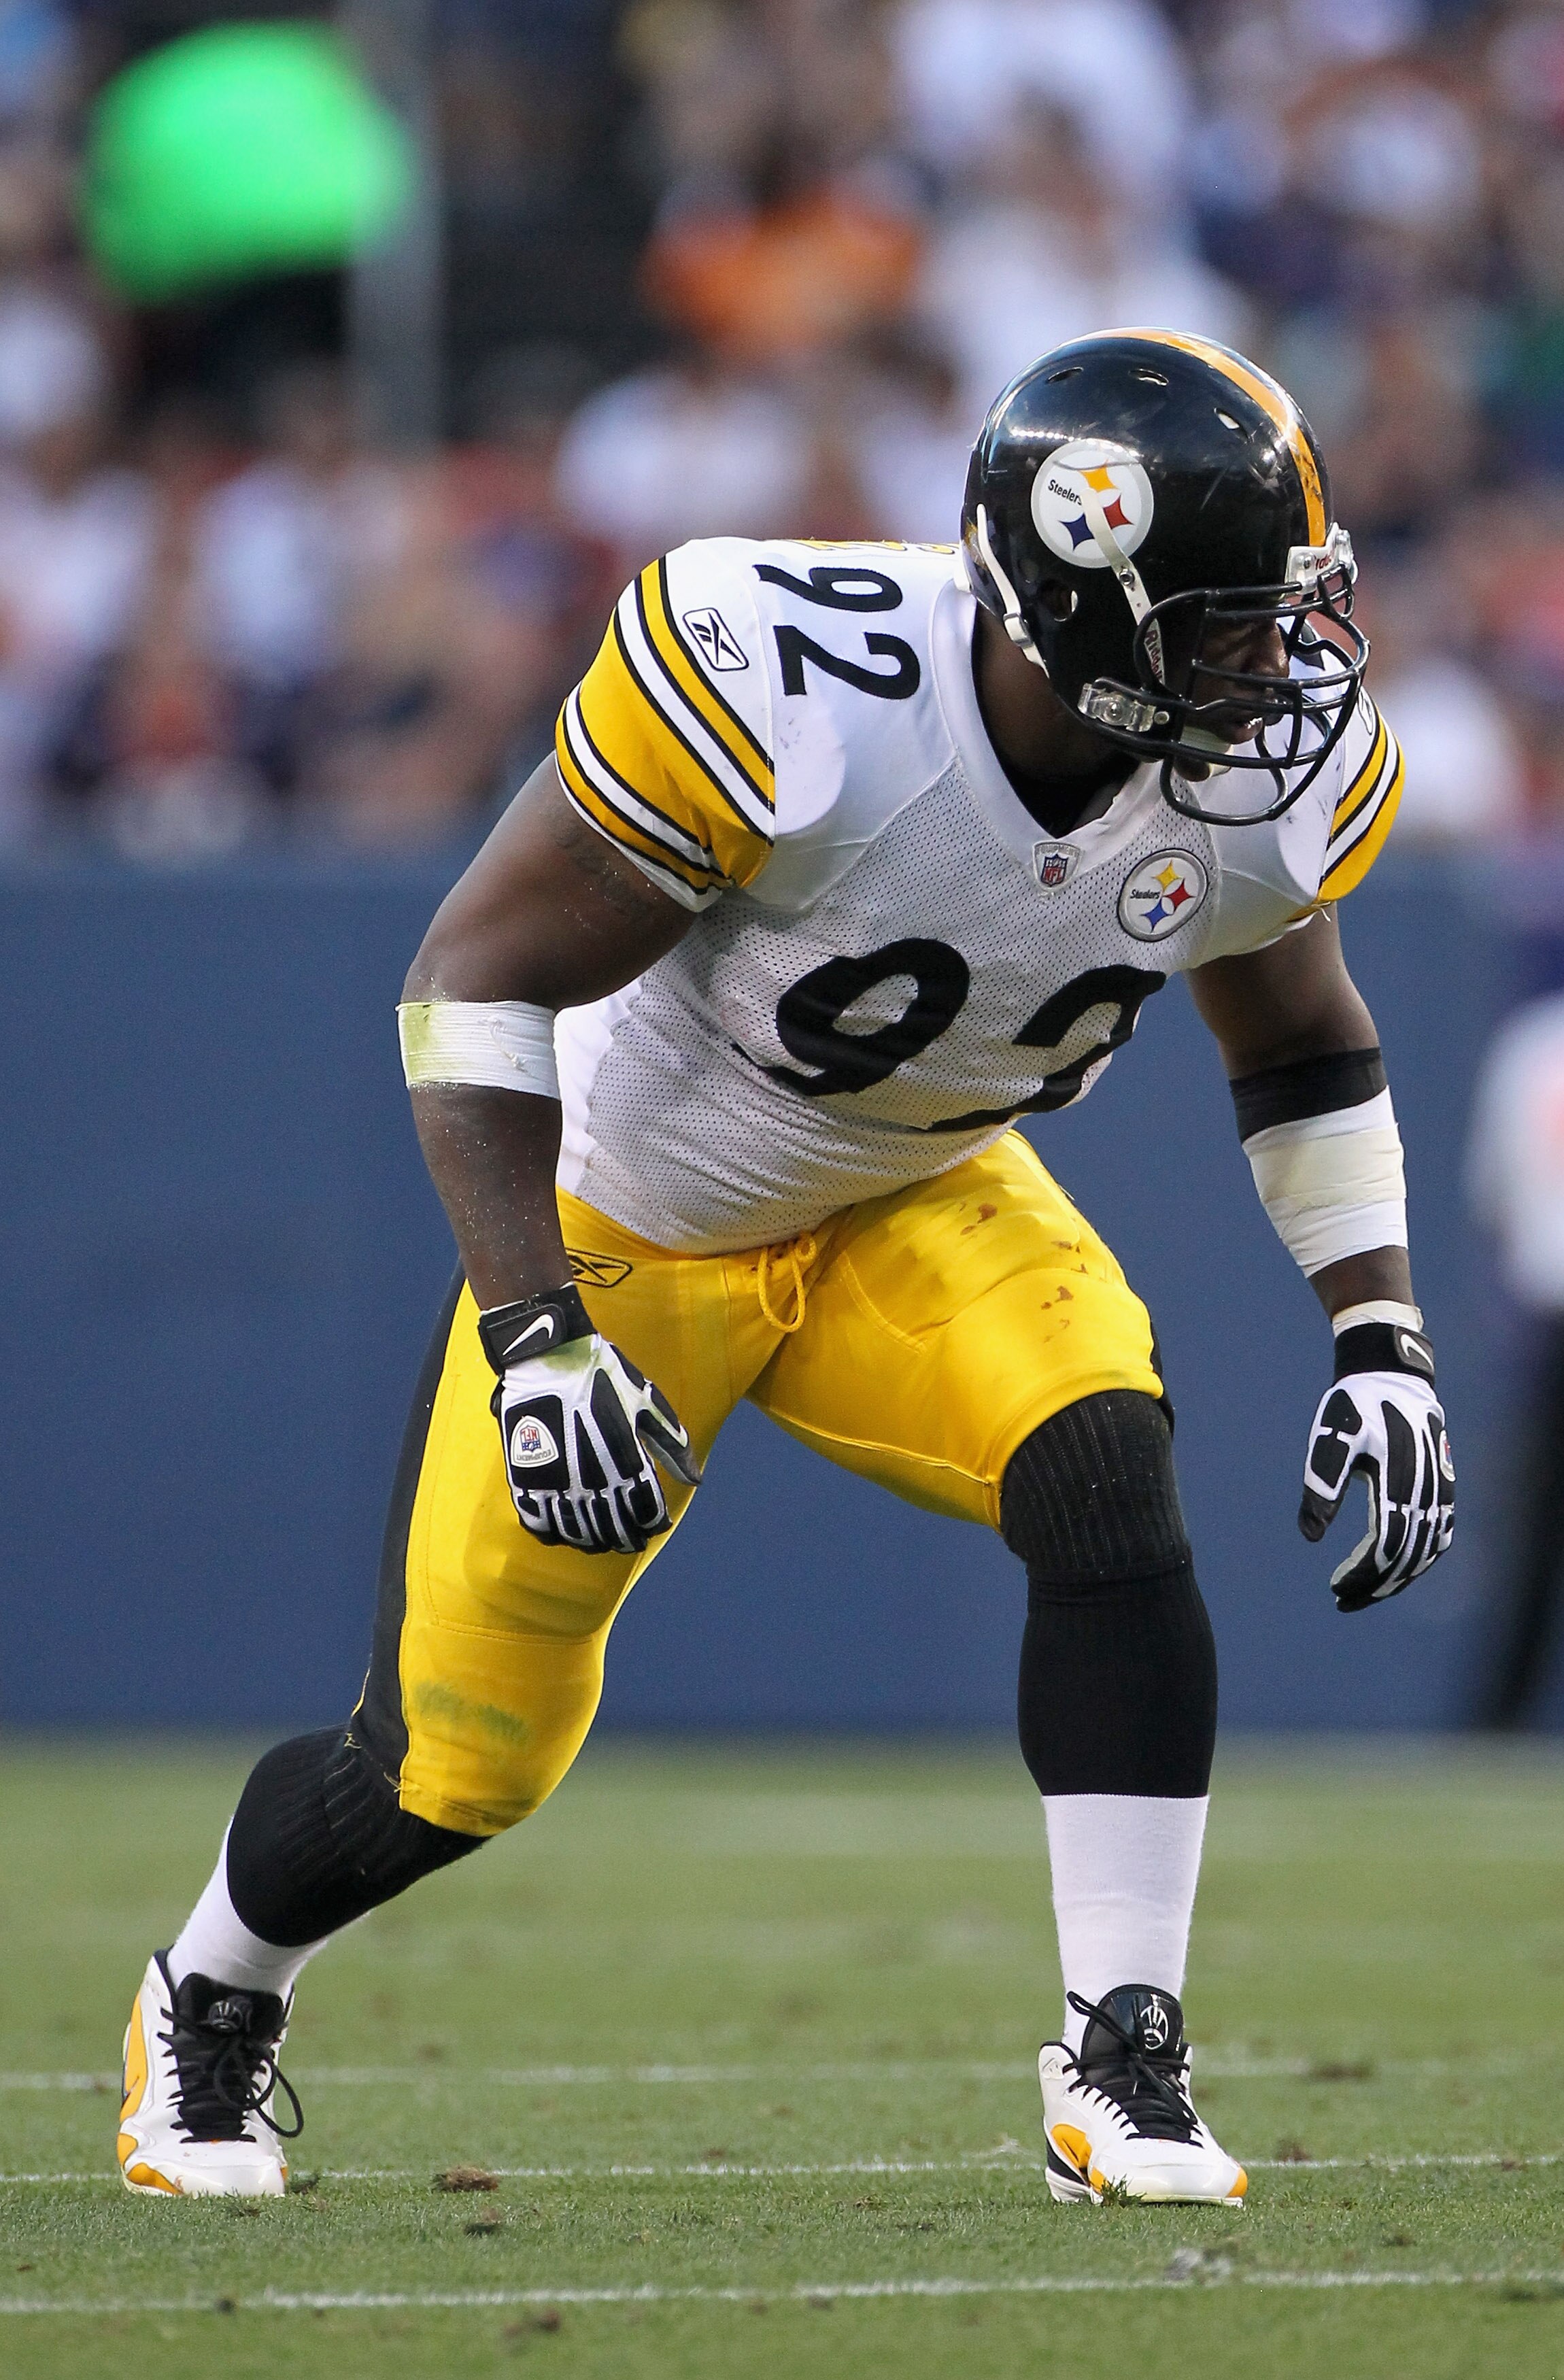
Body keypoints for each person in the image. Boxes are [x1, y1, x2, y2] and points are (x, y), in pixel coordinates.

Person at [116, 331, 1455, 2205]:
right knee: (451, 1767)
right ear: (1078, 605)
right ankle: (213, 1989)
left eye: (1280, 616)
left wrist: (1377, 1331)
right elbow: (470, 978)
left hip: (918, 1190)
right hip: (624, 1217)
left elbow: (1303, 1043)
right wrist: (532, 1328)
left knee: (1100, 1467)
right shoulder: (797, 685)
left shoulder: (1241, 792)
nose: (1274, 670)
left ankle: (1119, 2056)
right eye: (1226, 625)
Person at [1466, 993, 1564, 1724]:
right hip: (1549, 1317)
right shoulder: (1531, 1044)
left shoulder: (1529, 1043)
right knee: (1530, 1529)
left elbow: (1492, 1199)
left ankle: (1497, 1719)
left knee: (1532, 1528)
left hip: (1545, 1308)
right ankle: (1497, 1717)